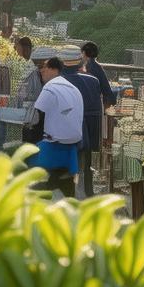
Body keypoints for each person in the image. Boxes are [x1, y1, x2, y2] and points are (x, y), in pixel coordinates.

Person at [31, 56, 84, 197]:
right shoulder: (72, 88)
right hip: (74, 141)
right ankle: (60, 183)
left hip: (55, 142)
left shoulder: (50, 87)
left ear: (54, 69)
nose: (41, 70)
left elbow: (36, 115)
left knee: (25, 157)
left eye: (45, 67)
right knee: (61, 179)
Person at [57, 46, 104, 196]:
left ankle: (66, 194)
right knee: (86, 165)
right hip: (88, 132)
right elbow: (97, 110)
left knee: (64, 165)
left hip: (65, 131)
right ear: (79, 62)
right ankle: (88, 195)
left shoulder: (58, 82)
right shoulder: (93, 81)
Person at [81, 41, 116, 108]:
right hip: (94, 103)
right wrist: (112, 101)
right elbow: (106, 88)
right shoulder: (97, 67)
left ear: (84, 53)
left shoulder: (81, 66)